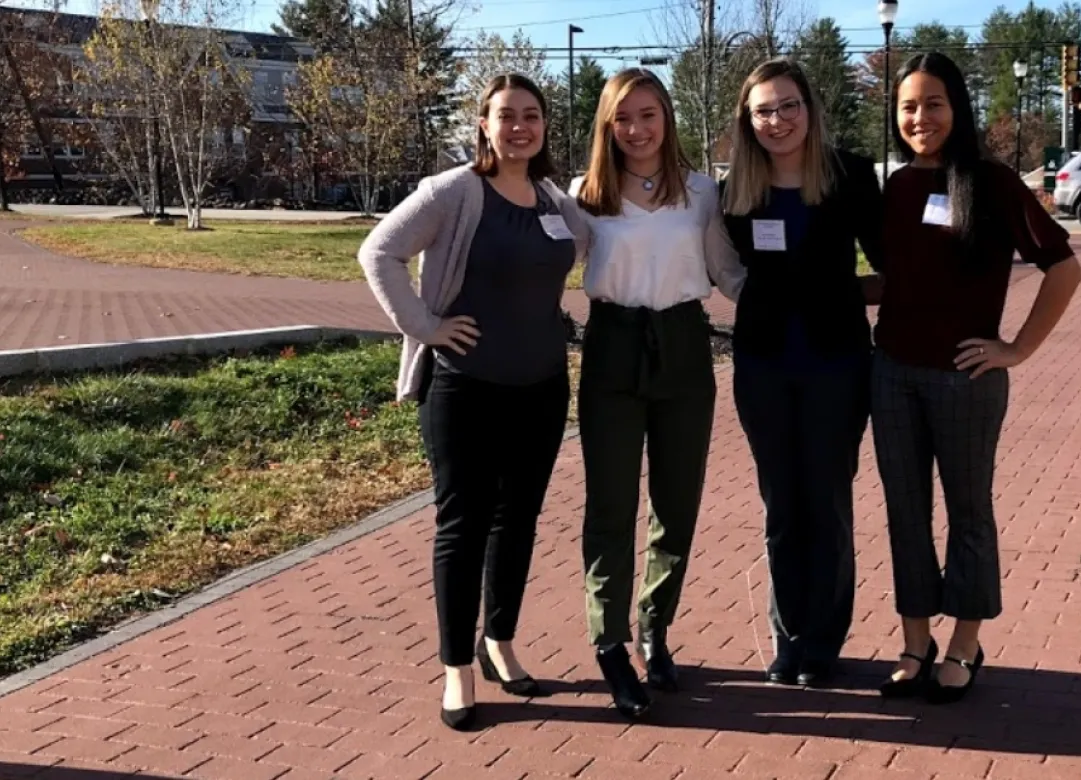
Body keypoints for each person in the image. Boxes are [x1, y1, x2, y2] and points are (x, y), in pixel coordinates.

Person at [356, 74, 592, 732]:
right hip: (466, 388)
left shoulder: (551, 197)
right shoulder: (454, 192)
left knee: (517, 522)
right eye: (506, 116)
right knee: (463, 528)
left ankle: (500, 642)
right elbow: (378, 251)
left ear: (545, 126)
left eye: (532, 116)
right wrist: (425, 327)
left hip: (542, 388)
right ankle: (457, 666)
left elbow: (593, 241)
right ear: (482, 125)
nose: (520, 127)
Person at [872, 51, 1081, 705]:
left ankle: (964, 641)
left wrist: (1017, 348)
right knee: (905, 513)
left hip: (966, 379)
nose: (920, 117)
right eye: (908, 105)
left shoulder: (990, 182)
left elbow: (1063, 267)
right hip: (893, 375)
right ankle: (915, 641)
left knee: (968, 513)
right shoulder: (898, 186)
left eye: (933, 103)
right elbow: (899, 283)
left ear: (956, 108)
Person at [570, 67, 743, 720]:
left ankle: (654, 626)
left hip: (684, 351)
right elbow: (540, 262)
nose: (636, 129)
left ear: (666, 118)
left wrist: (789, 305)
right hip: (613, 347)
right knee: (611, 506)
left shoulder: (701, 193)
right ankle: (610, 641)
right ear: (607, 128)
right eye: (622, 118)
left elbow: (727, 271)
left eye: (647, 114)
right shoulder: (584, 196)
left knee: (677, 501)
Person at [717, 58, 883, 689]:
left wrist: (851, 291)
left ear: (809, 109)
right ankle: (788, 638)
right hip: (762, 367)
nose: (777, 120)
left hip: (836, 366)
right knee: (781, 508)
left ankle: (823, 642)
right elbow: (726, 268)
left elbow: (893, 260)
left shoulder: (851, 176)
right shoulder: (738, 189)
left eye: (788, 105)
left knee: (828, 505)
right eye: (763, 110)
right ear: (748, 119)